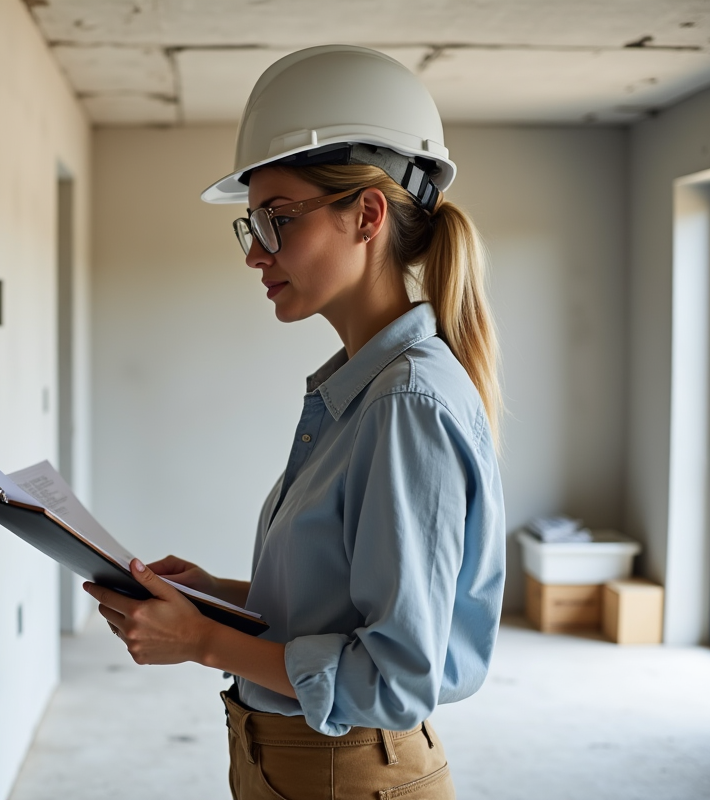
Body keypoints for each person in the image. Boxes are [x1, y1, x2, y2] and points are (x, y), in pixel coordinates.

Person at [83, 45, 505, 800]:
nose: (257, 255)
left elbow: (394, 676)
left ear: (367, 214)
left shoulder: (405, 405)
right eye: (252, 227)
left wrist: (202, 640)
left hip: (346, 772)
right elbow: (342, 601)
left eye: (277, 220)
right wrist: (224, 596)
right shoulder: (363, 388)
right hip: (300, 760)